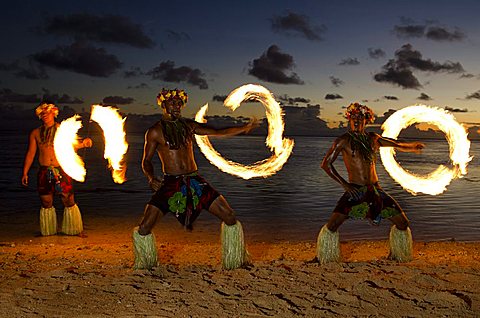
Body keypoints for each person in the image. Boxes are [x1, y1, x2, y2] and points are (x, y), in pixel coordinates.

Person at [133, 88, 259, 270]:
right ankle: (145, 263)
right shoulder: (154, 132)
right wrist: (151, 177)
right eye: (172, 103)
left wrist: (243, 128)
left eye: (179, 103)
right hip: (170, 184)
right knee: (144, 227)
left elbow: (217, 131)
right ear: (163, 104)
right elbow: (146, 161)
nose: (177, 106)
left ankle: (236, 259)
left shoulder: (188, 126)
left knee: (229, 216)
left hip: (194, 181)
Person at [317, 102, 424, 264]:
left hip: (375, 191)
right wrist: (345, 185)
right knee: (332, 226)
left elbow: (395, 144)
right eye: (353, 118)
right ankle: (324, 257)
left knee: (403, 223)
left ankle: (397, 254)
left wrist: (412, 147)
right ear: (349, 120)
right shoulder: (343, 141)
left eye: (360, 117)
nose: (357, 120)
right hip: (355, 191)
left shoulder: (373, 139)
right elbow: (326, 164)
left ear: (367, 120)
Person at [22, 103, 92, 236]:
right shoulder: (35, 133)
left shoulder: (62, 129)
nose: (44, 115)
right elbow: (31, 153)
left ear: (54, 113)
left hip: (61, 169)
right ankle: (48, 231)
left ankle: (75, 230)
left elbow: (73, 145)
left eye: (47, 112)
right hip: (44, 171)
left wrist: (84, 143)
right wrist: (25, 172)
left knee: (68, 199)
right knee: (46, 201)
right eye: (42, 113)